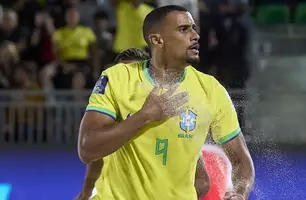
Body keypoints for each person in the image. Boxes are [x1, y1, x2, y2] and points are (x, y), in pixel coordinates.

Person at [78, 5, 254, 200]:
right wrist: (145, 116)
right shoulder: (117, 78)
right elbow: (87, 149)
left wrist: (239, 192)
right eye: (183, 29)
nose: (195, 35)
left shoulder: (211, 90)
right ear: (157, 39)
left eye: (194, 28)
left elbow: (241, 160)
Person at [75, 48, 209, 200]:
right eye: (122, 75)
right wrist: (86, 192)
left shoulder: (171, 122)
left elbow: (202, 181)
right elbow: (95, 157)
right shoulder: (112, 122)